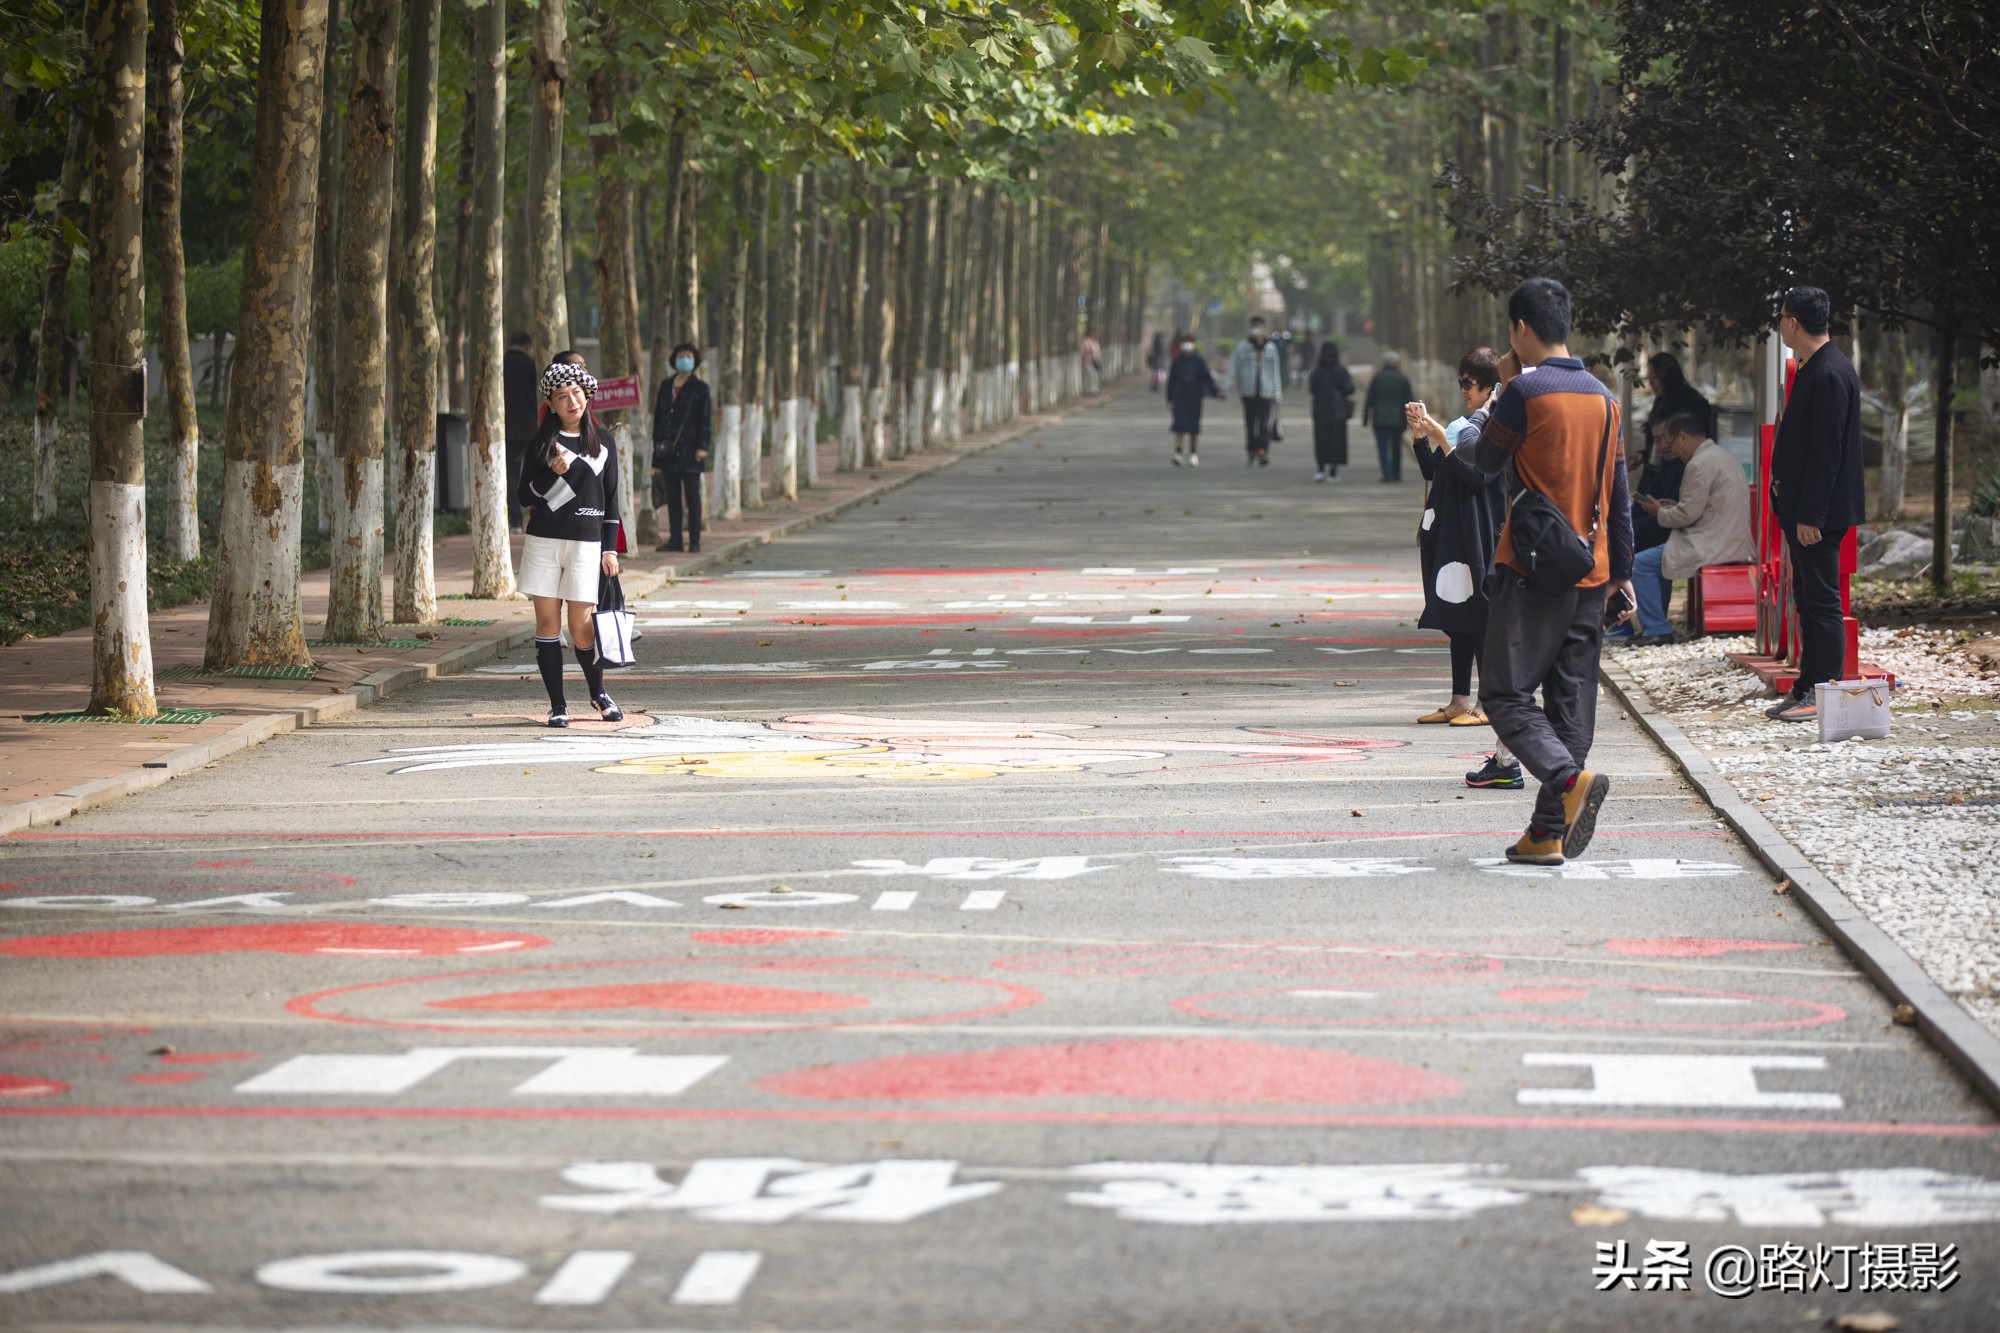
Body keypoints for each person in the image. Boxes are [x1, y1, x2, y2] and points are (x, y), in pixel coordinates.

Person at [1415, 277, 1634, 866]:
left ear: (1519, 328)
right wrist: (1623, 573)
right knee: (1571, 703)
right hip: (1592, 568)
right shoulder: (1606, 398)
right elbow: (1619, 495)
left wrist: (1508, 385)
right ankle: (1545, 833)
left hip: (1531, 566)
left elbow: (1482, 464)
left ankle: (1566, 783)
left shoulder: (1524, 393)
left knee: (1507, 694)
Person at [1764, 285, 1864, 723]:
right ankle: (1807, 685)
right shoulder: (1815, 366)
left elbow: (1828, 452)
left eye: (1782, 317)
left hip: (1818, 514)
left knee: (1823, 602)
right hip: (1804, 508)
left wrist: (1811, 515)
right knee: (1806, 598)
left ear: (1793, 322)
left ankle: (1826, 690)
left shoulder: (1828, 372)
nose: (1781, 324)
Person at [516, 361, 622, 729]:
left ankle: (599, 693)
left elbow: (612, 501)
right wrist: (550, 474)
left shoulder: (604, 442)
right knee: (547, 625)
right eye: (562, 396)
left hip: (586, 544)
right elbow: (522, 495)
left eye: (576, 393)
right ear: (553, 404)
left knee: (581, 627)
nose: (571, 401)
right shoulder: (543, 443)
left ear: (587, 396)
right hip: (544, 541)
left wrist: (610, 549)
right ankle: (557, 705)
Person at [1410, 347, 1510, 726]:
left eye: (1470, 383)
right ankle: (1458, 700)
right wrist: (1422, 437)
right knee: (1456, 616)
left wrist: (1444, 439)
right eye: (1461, 382)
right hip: (1448, 531)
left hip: (1479, 534)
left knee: (1480, 618)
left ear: (1490, 387)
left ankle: (1486, 705)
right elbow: (1433, 469)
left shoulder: (1495, 429)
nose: (1464, 389)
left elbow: (1477, 478)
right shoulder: (1462, 425)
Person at [1629, 408, 1755, 645]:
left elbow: (1686, 515)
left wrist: (1659, 511)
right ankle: (1656, 624)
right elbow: (1699, 506)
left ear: (1683, 436)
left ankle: (1656, 628)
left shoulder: (1699, 464)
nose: (1672, 449)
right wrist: (1674, 505)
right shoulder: (1722, 455)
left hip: (1711, 543)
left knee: (1641, 565)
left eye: (1671, 441)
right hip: (1731, 540)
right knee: (1658, 561)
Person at [650, 342, 711, 553]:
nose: (684, 359)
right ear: (674, 359)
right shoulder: (666, 386)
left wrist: (702, 446)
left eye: (688, 356)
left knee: (692, 497)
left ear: (694, 360)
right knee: (673, 497)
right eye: (680, 355)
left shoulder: (700, 388)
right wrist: (655, 452)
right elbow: (659, 418)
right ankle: (675, 539)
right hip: (668, 451)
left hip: (691, 450)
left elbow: (705, 420)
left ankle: (695, 540)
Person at [1225, 316, 1284, 466]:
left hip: (1267, 391)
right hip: (1248, 391)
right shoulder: (1242, 347)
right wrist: (1225, 387)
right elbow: (1233, 369)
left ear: (1264, 328)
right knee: (1251, 423)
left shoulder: (1271, 348)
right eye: (1254, 326)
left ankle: (1262, 451)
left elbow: (1276, 371)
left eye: (1260, 326)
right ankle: (1251, 450)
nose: (1257, 329)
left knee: (1264, 423)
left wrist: (1277, 392)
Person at [1163, 331, 1220, 467]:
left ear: (1194, 345)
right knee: (1179, 426)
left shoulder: (1199, 361)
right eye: (1184, 343)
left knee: (1194, 428)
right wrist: (1170, 398)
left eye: (1189, 342)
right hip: (1179, 398)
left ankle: (1193, 454)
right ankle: (1178, 453)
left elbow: (1207, 378)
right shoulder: (1176, 361)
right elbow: (1171, 381)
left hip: (1195, 398)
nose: (1187, 345)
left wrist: (1216, 392)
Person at [502, 332, 539, 530]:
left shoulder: (500, 365)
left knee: (511, 476)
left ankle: (515, 521)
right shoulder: (531, 366)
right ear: (526, 347)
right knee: (536, 475)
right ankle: (536, 516)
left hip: (506, 431)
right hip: (530, 430)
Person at [1307, 341, 1355, 483]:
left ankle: (1320, 469)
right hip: (1338, 411)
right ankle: (1333, 472)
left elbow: (1312, 390)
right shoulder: (1341, 371)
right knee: (1337, 441)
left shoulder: (1316, 371)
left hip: (1320, 410)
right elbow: (1350, 389)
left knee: (1321, 440)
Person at [1362, 350, 1413, 482]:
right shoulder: (1403, 379)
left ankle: (1387, 473)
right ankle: (1396, 473)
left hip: (1380, 419)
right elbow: (1409, 401)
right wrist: (1412, 421)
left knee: (1382, 447)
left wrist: (1365, 418)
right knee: (1396, 447)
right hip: (1398, 418)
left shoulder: (1377, 378)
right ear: (1396, 363)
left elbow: (1370, 399)